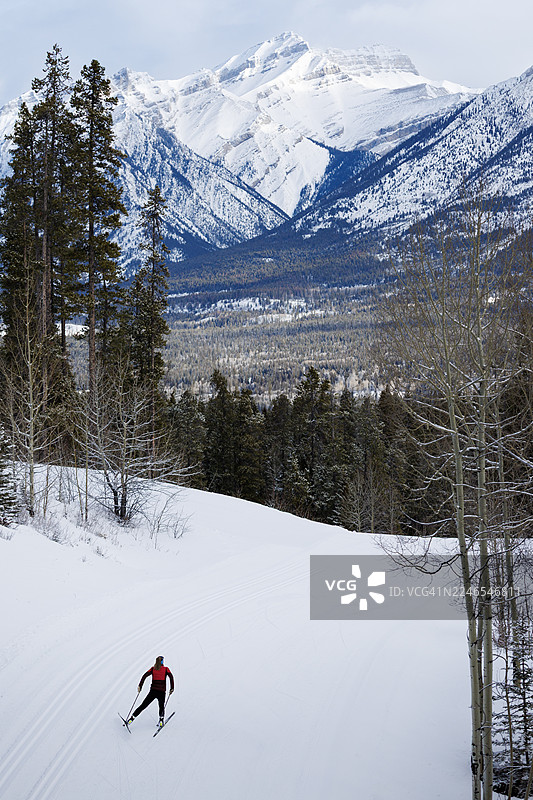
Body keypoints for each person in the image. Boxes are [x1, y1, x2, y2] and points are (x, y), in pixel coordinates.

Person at [127, 655, 174, 727]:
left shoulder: (153, 669)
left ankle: (131, 718)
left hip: (153, 691)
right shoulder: (166, 669)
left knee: (143, 705)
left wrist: (140, 686)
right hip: (161, 692)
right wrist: (172, 688)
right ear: (162, 661)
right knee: (161, 706)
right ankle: (161, 720)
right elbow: (171, 677)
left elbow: (144, 676)